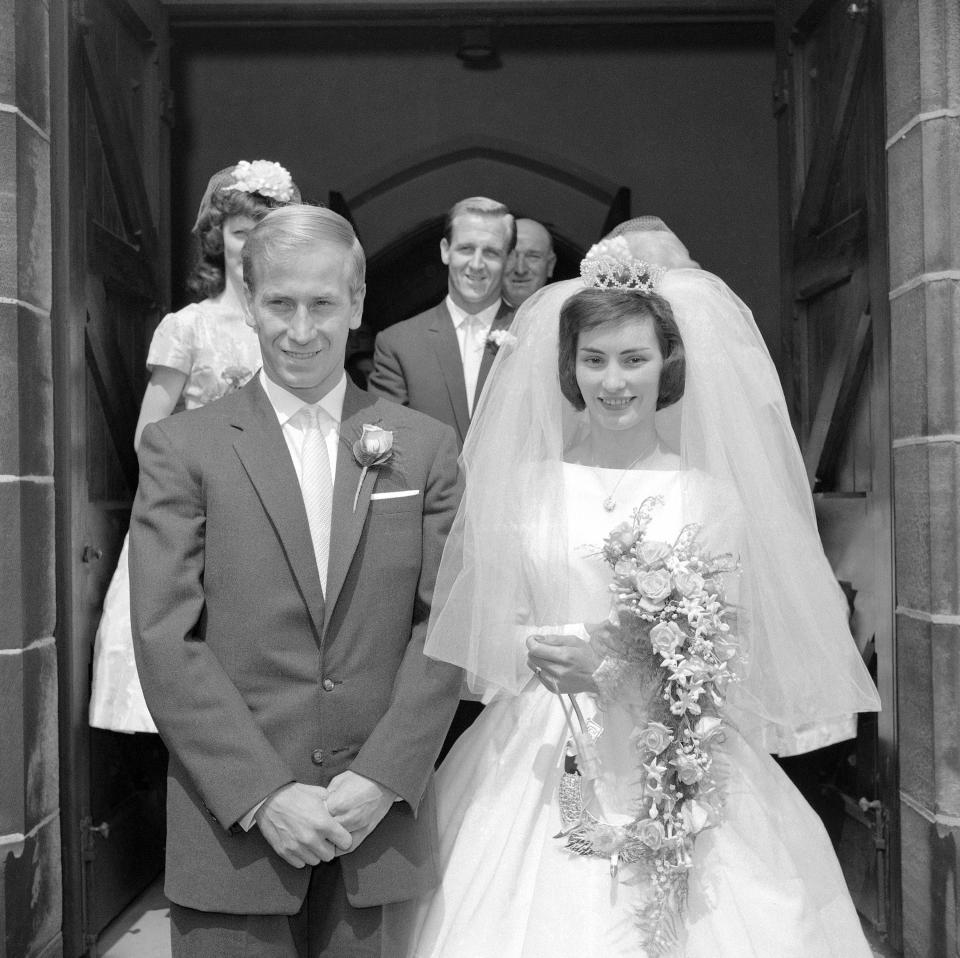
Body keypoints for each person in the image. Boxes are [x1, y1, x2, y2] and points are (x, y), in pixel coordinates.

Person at [389, 231, 881, 956]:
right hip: (541, 740)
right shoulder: (528, 488)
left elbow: (731, 647)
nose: (612, 381)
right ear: (570, 368)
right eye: (593, 360)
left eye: (633, 359)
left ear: (666, 367)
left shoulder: (709, 498)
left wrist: (623, 668)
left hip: (678, 743)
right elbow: (488, 621)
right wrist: (536, 646)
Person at [128, 204, 463, 957]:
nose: (302, 329)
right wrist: (263, 793)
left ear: (358, 302)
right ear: (249, 301)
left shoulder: (424, 447)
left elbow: (446, 626)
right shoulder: (183, 449)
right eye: (280, 303)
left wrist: (382, 776)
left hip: (375, 831)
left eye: (322, 303)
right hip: (233, 831)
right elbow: (163, 638)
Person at [88, 159, 300, 734]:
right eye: (239, 232)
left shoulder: (292, 330)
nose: (252, 244)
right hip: (202, 507)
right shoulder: (189, 327)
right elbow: (149, 435)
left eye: (266, 231)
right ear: (218, 239)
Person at [367, 196, 516, 450]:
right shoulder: (399, 343)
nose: (477, 264)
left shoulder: (534, 335)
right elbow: (386, 442)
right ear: (446, 250)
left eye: (491, 252)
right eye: (466, 249)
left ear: (510, 260)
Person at [502, 217, 557, 308]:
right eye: (510, 256)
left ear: (550, 265)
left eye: (532, 256)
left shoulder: (569, 318)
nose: (520, 270)